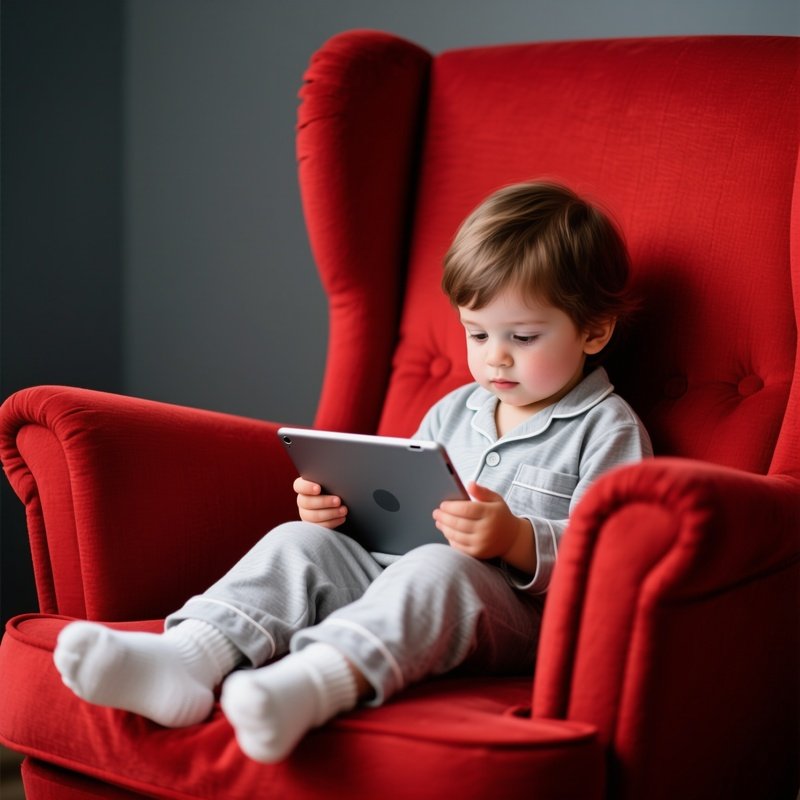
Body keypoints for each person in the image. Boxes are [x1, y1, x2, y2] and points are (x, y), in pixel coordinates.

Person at [53, 181, 652, 763]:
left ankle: (311, 683)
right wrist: (344, 510)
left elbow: (615, 560)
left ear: (594, 331)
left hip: (514, 621)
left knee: (441, 565)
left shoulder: (607, 428)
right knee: (301, 540)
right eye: (477, 333)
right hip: (393, 577)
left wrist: (518, 540)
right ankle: (187, 657)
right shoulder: (452, 410)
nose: (494, 355)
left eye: (522, 336)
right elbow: (403, 499)